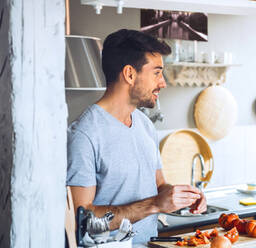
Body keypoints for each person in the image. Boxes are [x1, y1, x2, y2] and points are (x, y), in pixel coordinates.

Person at [66, 29, 207, 244]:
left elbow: (159, 186)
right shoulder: (85, 134)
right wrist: (154, 205)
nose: (163, 83)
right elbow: (83, 222)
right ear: (130, 74)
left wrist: (183, 197)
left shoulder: (144, 124)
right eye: (157, 73)